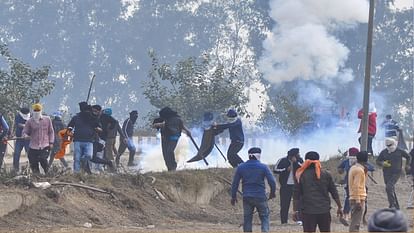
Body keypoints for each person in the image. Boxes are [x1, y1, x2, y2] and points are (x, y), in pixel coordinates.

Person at [293, 151, 343, 232]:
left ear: (306, 161)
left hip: (307, 211)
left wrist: (295, 211)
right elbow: (334, 192)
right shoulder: (326, 174)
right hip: (324, 210)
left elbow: (296, 195)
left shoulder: (301, 175)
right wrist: (339, 207)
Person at [230, 147, 276, 232]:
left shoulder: (241, 167)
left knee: (247, 218)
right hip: (260, 196)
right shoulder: (263, 167)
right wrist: (272, 193)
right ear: (258, 156)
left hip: (247, 196)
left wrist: (233, 197)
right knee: (264, 217)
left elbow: (235, 183)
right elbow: (272, 181)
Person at [337, 147, 375, 223]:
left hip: (362, 185)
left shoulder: (361, 163)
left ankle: (362, 218)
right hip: (349, 184)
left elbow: (372, 168)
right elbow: (340, 168)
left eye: (354, 157)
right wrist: (341, 171)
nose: (352, 159)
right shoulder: (347, 161)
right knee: (349, 199)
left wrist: (362, 166)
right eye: (351, 157)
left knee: (363, 201)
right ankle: (346, 215)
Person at [376, 137, 411, 209]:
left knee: (389, 187)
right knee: (390, 189)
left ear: (394, 143)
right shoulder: (384, 152)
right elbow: (378, 161)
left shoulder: (399, 151)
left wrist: (407, 165)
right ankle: (396, 206)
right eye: (387, 146)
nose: (389, 147)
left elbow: (408, 157)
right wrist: (383, 163)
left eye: (390, 145)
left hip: (396, 172)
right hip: (386, 173)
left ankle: (392, 205)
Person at [67, 102, 102, 174]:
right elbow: (70, 126)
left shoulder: (93, 118)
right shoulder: (76, 117)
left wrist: (98, 129)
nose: (86, 112)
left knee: (89, 155)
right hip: (77, 140)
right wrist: (69, 132)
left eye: (88, 110)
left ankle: (83, 160)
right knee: (77, 158)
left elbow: (99, 128)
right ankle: (76, 173)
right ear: (81, 110)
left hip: (89, 141)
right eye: (85, 110)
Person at [152, 107, 191, 171]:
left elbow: (182, 126)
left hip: (174, 137)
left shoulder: (177, 119)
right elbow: (154, 125)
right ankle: (170, 168)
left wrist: (187, 131)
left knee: (169, 151)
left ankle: (173, 166)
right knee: (165, 154)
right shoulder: (164, 119)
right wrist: (159, 124)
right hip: (165, 137)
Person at [273, 148, 303, 224]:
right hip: (285, 186)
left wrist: (296, 162)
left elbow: (303, 168)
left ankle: (299, 220)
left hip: (297, 185)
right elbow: (275, 169)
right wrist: (285, 169)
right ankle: (284, 221)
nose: (298, 155)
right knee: (284, 204)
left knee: (299, 203)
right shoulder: (282, 160)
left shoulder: (299, 160)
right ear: (291, 156)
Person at [22, 103, 54, 174]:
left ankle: (49, 175)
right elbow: (24, 132)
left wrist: (51, 142)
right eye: (35, 110)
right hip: (33, 146)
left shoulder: (47, 119)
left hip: (44, 145)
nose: (37, 112)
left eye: (38, 110)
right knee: (33, 163)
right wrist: (26, 136)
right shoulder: (29, 121)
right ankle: (37, 177)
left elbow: (51, 132)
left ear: (41, 110)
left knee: (43, 160)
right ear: (33, 111)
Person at [348, 151, 369, 232]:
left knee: (354, 221)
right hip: (358, 198)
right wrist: (358, 201)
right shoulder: (359, 170)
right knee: (356, 223)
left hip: (354, 197)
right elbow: (356, 186)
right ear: (366, 160)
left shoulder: (353, 167)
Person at [12, 107, 30, 172]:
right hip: (19, 138)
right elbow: (18, 125)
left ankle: (33, 168)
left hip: (28, 139)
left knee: (30, 153)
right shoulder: (18, 116)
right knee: (16, 153)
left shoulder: (31, 116)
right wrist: (26, 125)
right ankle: (15, 169)